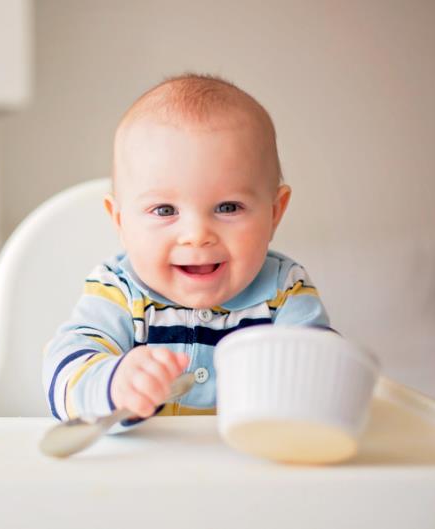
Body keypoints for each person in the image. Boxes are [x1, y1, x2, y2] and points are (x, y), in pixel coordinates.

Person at [43, 74, 329, 426]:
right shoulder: (119, 290)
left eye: (228, 207)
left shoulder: (284, 291)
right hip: (145, 474)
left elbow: (323, 375)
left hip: (251, 471)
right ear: (120, 221)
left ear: (274, 213)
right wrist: (114, 382)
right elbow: (63, 376)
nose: (196, 236)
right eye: (165, 211)